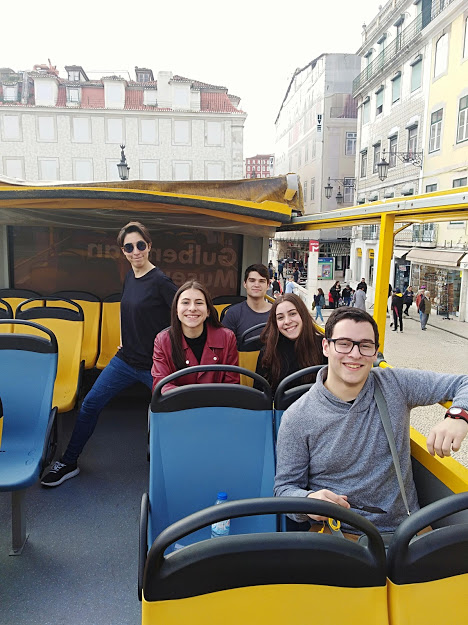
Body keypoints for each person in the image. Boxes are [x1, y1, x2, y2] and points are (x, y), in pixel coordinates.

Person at [274, 307, 468, 535]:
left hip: (407, 531)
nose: (355, 354)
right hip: (339, 534)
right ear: (326, 347)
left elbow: (462, 382)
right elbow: (284, 489)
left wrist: (458, 416)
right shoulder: (298, 417)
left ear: (375, 352)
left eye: (365, 345)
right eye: (344, 344)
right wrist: (309, 500)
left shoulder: (394, 384)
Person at [41, 221, 178, 487]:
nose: (135, 251)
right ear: (123, 252)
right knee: (90, 404)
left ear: (149, 246)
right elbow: (128, 313)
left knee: (172, 413)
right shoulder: (130, 277)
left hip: (155, 366)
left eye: (140, 245)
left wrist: (171, 351)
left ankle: (178, 469)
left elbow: (182, 316)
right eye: (129, 247)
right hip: (125, 361)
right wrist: (124, 340)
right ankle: (69, 462)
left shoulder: (160, 281)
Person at [152, 280, 239, 392]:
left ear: (208, 311)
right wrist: (193, 399)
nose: (192, 308)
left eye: (199, 303)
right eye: (185, 302)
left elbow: (232, 386)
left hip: (217, 402)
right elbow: (160, 386)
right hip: (177, 403)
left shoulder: (227, 337)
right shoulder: (162, 341)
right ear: (176, 310)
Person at [255, 294, 326, 394]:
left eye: (292, 314)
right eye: (280, 318)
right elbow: (259, 394)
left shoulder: (324, 347)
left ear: (303, 314)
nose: (287, 321)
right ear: (275, 323)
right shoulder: (267, 352)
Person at [222, 264, 271, 344]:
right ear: (245, 284)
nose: (256, 285)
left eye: (261, 281)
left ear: (268, 285)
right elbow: (224, 345)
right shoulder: (233, 313)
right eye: (252, 281)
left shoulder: (278, 313)